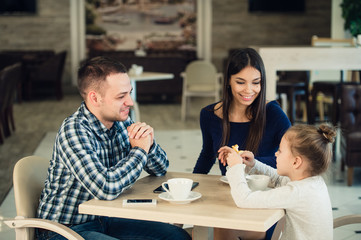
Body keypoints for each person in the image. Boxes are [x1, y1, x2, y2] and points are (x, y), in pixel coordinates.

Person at [37, 56, 191, 240]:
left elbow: (160, 169)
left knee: (176, 236)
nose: (130, 102)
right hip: (63, 230)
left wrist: (148, 144)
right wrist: (139, 151)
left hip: (105, 220)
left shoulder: (120, 122)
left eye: (129, 93)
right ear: (95, 98)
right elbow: (106, 188)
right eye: (121, 96)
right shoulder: (74, 130)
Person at [218, 123, 336, 240]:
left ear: (296, 162)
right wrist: (253, 164)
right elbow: (278, 180)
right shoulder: (313, 182)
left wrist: (236, 167)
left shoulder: (296, 192)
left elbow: (244, 199)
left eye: (280, 150)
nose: (276, 154)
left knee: (223, 227)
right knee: (228, 229)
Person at [193, 48, 291, 177]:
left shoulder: (273, 113)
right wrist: (192, 184)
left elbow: (292, 156)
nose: (248, 90)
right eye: (240, 82)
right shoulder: (209, 115)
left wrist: (251, 161)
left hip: (267, 190)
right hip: (232, 189)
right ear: (228, 80)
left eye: (256, 83)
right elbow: (207, 155)